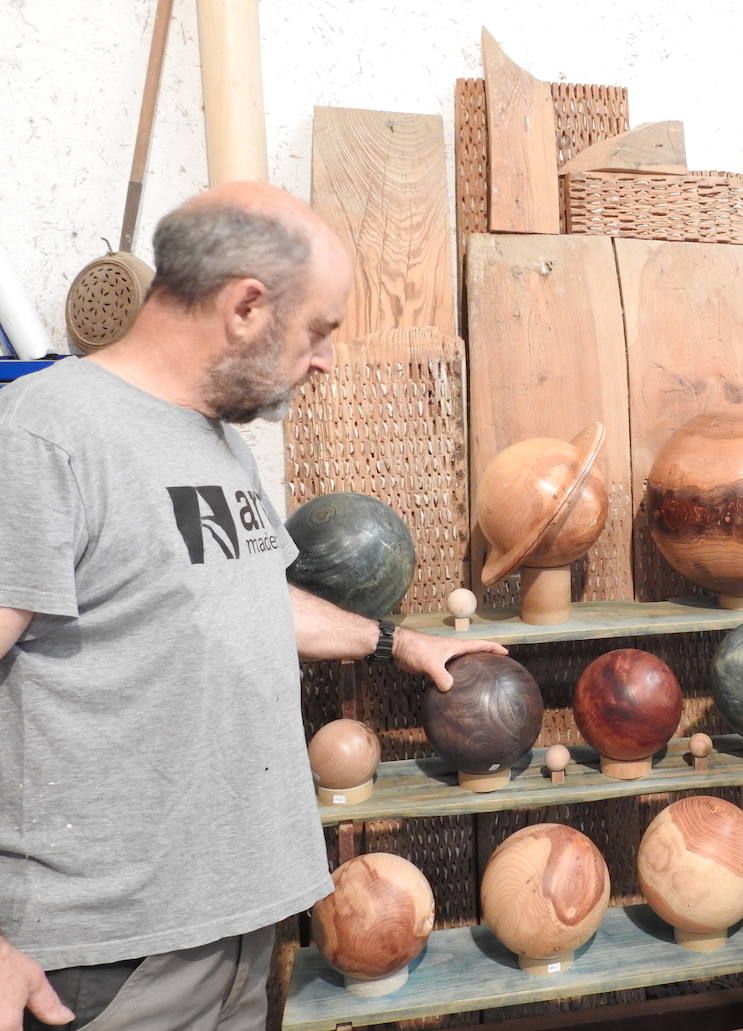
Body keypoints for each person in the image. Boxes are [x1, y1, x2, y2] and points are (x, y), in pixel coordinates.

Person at [0, 182, 507, 1031]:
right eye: (320, 330)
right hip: (105, 959)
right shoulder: (45, 435)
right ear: (246, 306)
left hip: (238, 927)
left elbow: (241, 597)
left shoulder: (214, 438)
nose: (326, 359)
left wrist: (395, 641)